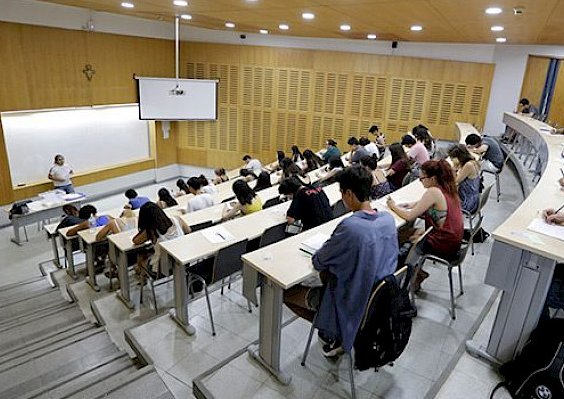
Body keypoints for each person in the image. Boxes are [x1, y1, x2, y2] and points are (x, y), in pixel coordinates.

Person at [283, 166, 398, 356]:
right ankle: (334, 330)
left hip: (351, 299)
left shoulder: (351, 227)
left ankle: (332, 332)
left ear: (349, 193)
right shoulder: (387, 219)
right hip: (378, 298)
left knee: (285, 292)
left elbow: (318, 260)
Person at [386, 160, 464, 291]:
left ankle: (408, 274)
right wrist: (412, 204)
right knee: (408, 233)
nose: (420, 181)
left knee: (400, 237)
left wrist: (392, 206)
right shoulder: (447, 187)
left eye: (421, 178)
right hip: (452, 240)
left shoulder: (433, 191)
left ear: (432, 178)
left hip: (443, 244)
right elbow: (430, 203)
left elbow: (410, 216)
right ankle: (417, 274)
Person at [132, 202, 190, 278]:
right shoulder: (177, 219)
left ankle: (142, 279)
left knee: (141, 257)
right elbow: (188, 230)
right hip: (184, 260)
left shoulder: (151, 231)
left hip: (162, 270)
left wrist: (142, 229)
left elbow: (135, 241)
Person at [448, 145, 481, 214]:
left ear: (459, 157)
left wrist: (453, 169)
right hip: (471, 198)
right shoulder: (471, 162)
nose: (451, 160)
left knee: (442, 201)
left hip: (468, 203)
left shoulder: (468, 165)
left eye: (452, 158)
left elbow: (455, 182)